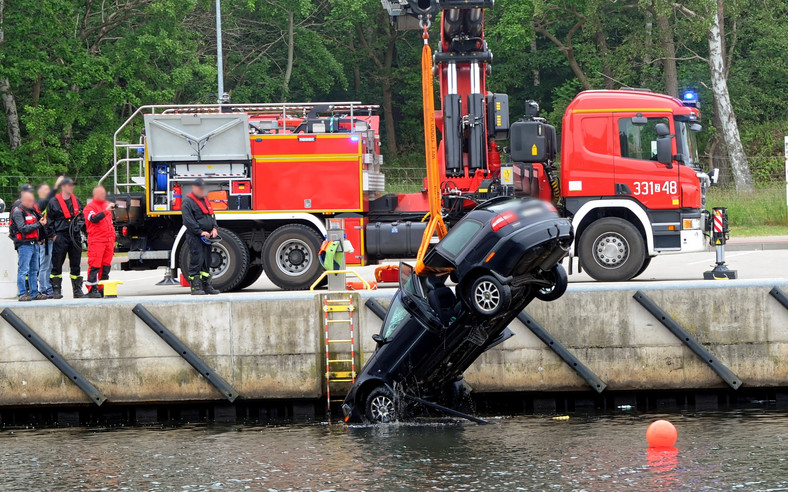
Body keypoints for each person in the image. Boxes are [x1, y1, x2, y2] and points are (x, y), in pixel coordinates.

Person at [47, 177, 85, 299]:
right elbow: (49, 221)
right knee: (57, 263)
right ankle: (56, 290)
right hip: (60, 236)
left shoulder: (77, 201)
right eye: (69, 185)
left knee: (76, 264)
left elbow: (82, 218)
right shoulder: (53, 202)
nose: (71, 187)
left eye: (72, 185)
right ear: (63, 187)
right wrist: (53, 235)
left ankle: (77, 290)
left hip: (75, 236)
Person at [181, 178, 220, 295]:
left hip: (207, 237)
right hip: (195, 236)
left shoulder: (205, 200)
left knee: (207, 261)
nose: (202, 190)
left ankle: (206, 285)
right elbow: (188, 221)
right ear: (194, 188)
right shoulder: (187, 202)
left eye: (203, 188)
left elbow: (212, 215)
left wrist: (214, 228)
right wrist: (200, 232)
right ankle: (195, 287)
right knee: (196, 260)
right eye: (200, 188)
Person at [10, 191, 47, 301]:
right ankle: (22, 294)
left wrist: (40, 237)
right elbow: (23, 228)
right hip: (24, 245)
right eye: (30, 200)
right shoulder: (18, 212)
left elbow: (36, 226)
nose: (33, 202)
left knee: (34, 270)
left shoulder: (32, 211)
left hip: (34, 243)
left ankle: (34, 293)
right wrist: (39, 224)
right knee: (23, 270)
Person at [83, 186, 116, 298]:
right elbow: (93, 219)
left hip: (108, 240)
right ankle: (92, 289)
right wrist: (106, 210)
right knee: (95, 265)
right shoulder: (89, 207)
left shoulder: (105, 206)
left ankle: (103, 287)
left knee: (106, 265)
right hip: (97, 241)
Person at [35, 177, 61, 298]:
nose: (48, 191)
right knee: (44, 265)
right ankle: (43, 288)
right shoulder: (40, 203)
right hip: (44, 240)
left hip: (49, 239)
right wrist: (56, 185)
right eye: (46, 190)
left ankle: (48, 287)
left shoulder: (47, 205)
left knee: (49, 265)